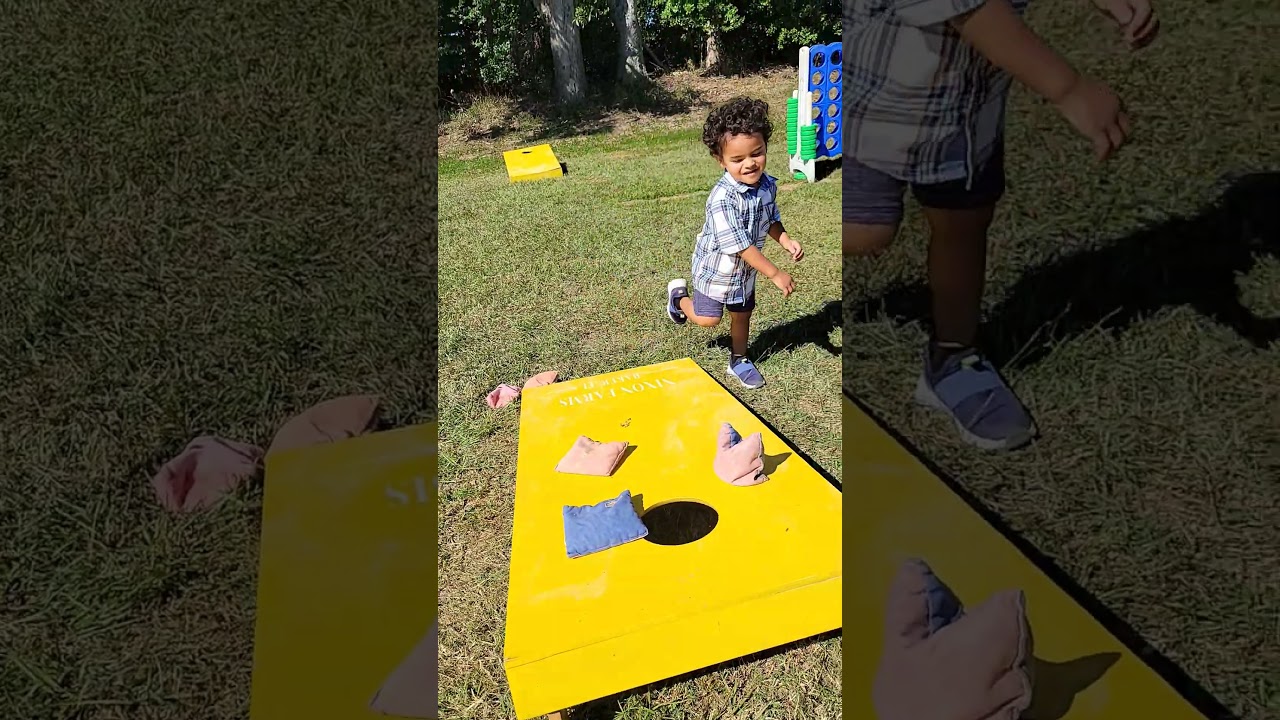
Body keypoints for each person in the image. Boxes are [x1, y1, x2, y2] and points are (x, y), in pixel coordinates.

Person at [843, 0, 1159, 449]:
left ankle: (954, 358)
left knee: (965, 225)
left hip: (967, 112)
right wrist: (1068, 88)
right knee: (866, 231)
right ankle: (762, 235)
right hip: (877, 103)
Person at [667, 97, 805, 390]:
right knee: (707, 320)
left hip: (744, 275)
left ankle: (739, 359)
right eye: (738, 159)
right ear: (721, 160)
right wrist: (776, 273)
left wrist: (785, 239)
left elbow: (770, 219)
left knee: (742, 315)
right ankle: (679, 299)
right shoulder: (722, 199)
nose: (750, 163)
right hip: (717, 272)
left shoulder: (766, 185)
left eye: (757, 153)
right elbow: (740, 245)